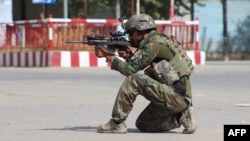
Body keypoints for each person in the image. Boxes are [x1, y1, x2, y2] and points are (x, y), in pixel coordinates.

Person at [94, 14, 196, 134]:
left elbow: (129, 70)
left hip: (177, 96)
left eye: (132, 33)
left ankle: (117, 123)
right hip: (177, 96)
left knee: (134, 80)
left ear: (142, 31)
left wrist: (110, 57)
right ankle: (181, 116)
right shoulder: (160, 40)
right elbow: (147, 65)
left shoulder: (153, 45)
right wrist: (129, 55)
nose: (130, 38)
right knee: (143, 124)